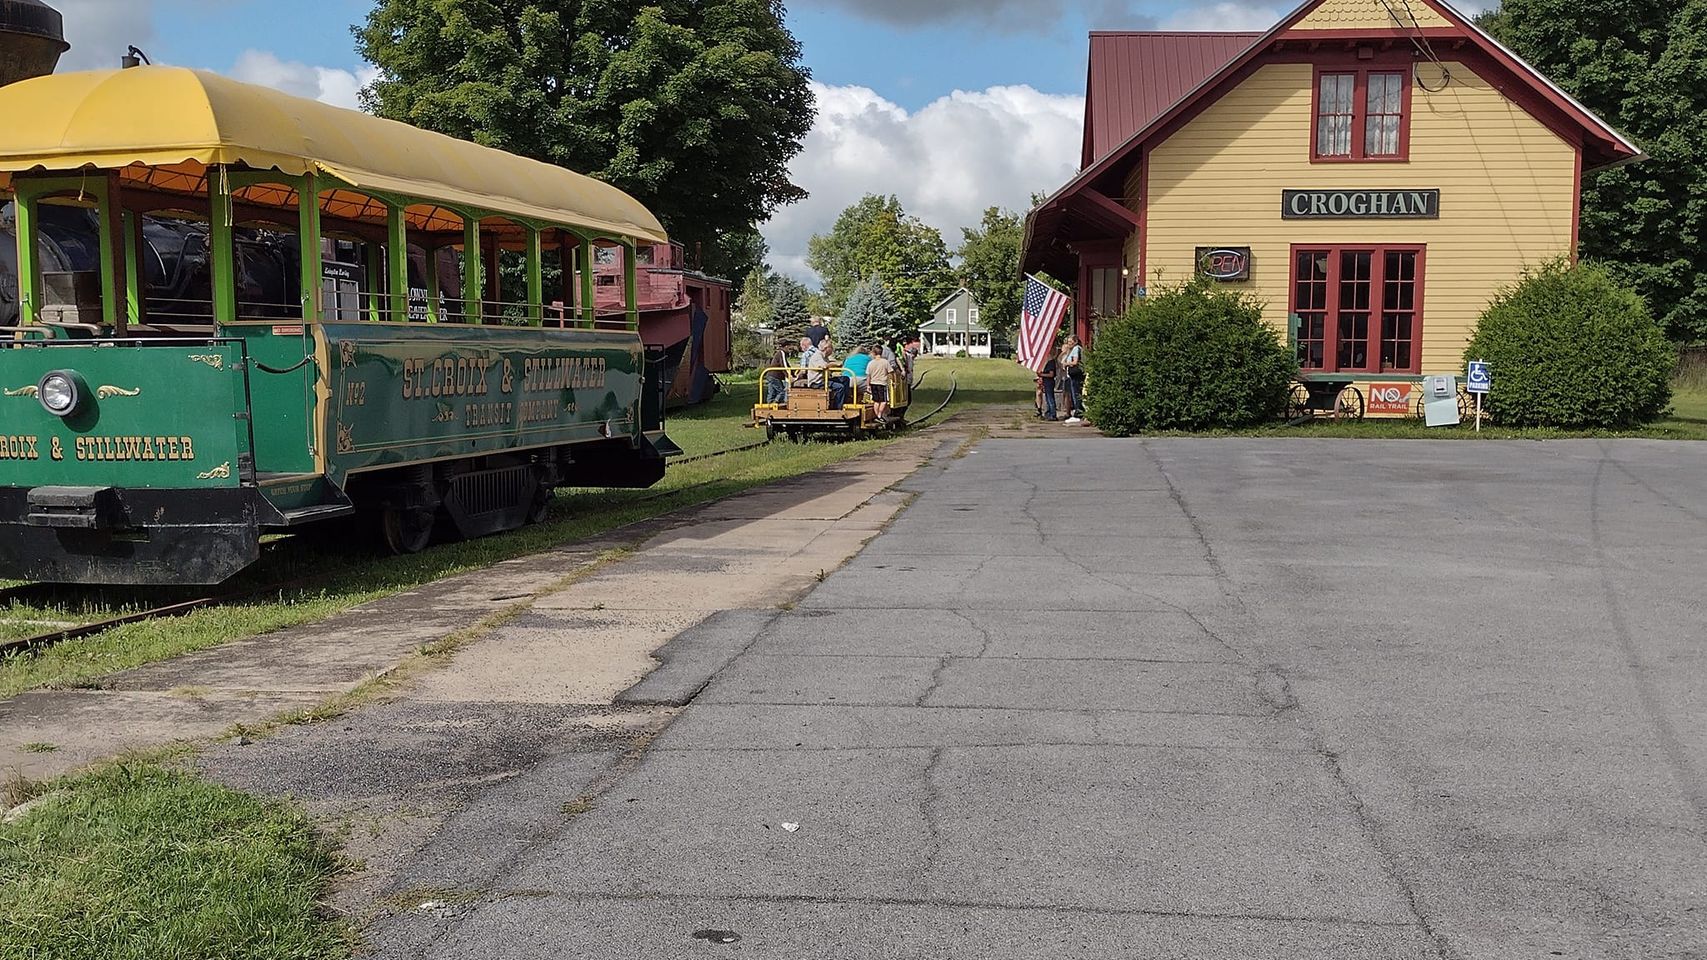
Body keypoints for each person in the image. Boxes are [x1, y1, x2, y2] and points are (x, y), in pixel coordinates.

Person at [1060, 335, 1085, 423]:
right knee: (1074, 392)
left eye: (1070, 342)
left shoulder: (1075, 349)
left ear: (1075, 342)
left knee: (1076, 393)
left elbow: (1075, 362)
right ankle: (1078, 410)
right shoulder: (1073, 349)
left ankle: (1078, 412)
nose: (1069, 344)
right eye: (1068, 342)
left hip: (1076, 374)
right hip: (1072, 375)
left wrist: (1066, 363)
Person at [866, 346, 893, 421]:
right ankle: (879, 415)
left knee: (876, 401)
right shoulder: (885, 362)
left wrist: (868, 385)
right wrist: (892, 380)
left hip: (873, 383)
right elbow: (890, 372)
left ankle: (876, 415)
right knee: (884, 401)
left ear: (873, 353)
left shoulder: (870, 363)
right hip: (882, 384)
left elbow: (868, 375)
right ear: (881, 352)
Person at [764, 340, 791, 405]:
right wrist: (789, 376)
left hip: (770, 375)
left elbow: (787, 365)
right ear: (786, 346)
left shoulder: (779, 353)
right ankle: (775, 402)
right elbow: (784, 365)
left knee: (772, 392)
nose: (789, 350)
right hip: (775, 376)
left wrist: (793, 372)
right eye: (789, 348)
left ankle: (769, 404)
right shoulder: (782, 353)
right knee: (781, 391)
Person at [1037, 352, 1058, 421]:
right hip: (1046, 381)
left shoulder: (1051, 362)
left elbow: (1051, 374)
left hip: (1049, 382)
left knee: (1050, 398)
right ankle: (1048, 412)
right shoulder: (1048, 363)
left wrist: (1042, 375)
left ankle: (1053, 414)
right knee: (1047, 398)